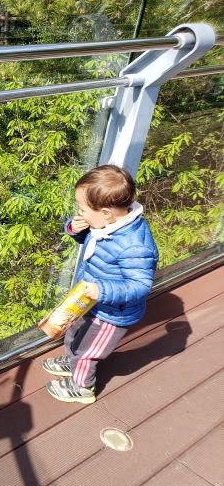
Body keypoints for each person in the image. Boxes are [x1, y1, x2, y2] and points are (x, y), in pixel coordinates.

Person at [43, 164, 159, 404]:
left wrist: (101, 290)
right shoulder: (109, 224)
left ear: (106, 212)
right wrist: (75, 229)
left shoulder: (135, 245)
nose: (80, 212)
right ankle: (72, 359)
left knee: (88, 351)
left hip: (111, 313)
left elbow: (140, 285)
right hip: (91, 301)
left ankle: (82, 385)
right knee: (75, 332)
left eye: (83, 209)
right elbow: (93, 242)